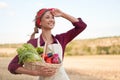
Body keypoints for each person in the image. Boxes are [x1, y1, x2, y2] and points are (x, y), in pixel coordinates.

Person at [8, 8, 87, 80]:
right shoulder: (33, 43)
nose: (52, 20)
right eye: (47, 17)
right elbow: (12, 66)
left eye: (53, 17)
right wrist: (36, 73)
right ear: (40, 22)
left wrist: (62, 14)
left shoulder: (61, 39)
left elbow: (81, 26)